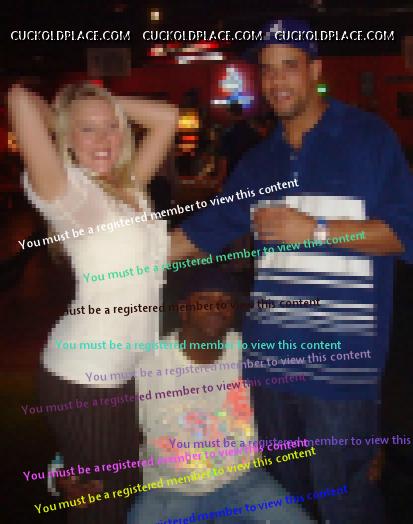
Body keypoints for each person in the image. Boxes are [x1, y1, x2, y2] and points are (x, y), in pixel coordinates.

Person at [170, 18, 413, 524]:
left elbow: (403, 234)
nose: (277, 80)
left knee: (346, 501)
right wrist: (117, 254)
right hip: (271, 361)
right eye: (267, 70)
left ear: (315, 71)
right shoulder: (259, 162)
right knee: (286, 501)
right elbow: (199, 234)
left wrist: (317, 230)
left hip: (341, 363)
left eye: (289, 66)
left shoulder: (369, 139)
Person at [8, 82, 178, 523]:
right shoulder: (69, 194)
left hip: (125, 371)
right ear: (66, 137)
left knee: (125, 489)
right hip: (83, 377)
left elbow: (167, 118)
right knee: (100, 507)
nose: (104, 139)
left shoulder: (128, 186)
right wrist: (64, 116)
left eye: (112, 127)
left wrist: (102, 106)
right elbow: (19, 98)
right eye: (87, 129)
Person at [127, 267, 314, 524]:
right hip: (170, 490)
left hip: (243, 481)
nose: (216, 308)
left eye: (225, 302)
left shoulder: (249, 352)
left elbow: (301, 392)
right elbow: (113, 427)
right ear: (184, 310)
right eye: (204, 300)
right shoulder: (148, 363)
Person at [217, 102, 261, 178]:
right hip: (250, 175)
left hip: (233, 176)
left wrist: (220, 180)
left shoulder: (229, 135)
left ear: (231, 113)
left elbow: (224, 162)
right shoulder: (253, 133)